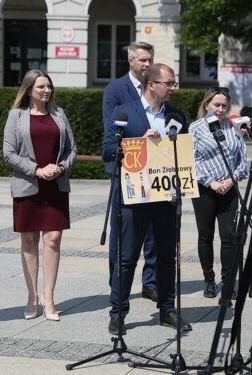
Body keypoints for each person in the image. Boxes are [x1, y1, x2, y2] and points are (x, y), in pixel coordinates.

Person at [101, 63, 191, 335]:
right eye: (169, 83)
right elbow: (108, 150)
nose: (172, 88)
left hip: (165, 197)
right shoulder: (124, 112)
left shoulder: (176, 115)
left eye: (174, 83)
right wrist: (140, 142)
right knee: (126, 259)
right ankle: (118, 313)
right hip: (134, 198)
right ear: (152, 84)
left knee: (166, 257)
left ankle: (167, 309)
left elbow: (185, 151)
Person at [3, 69, 77, 321]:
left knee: (53, 239)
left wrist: (62, 167)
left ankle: (49, 298)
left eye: (49, 86)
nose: (47, 91)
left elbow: (71, 149)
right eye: (41, 87)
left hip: (56, 185)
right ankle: (32, 297)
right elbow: (8, 153)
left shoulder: (59, 114)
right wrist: (37, 170)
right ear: (28, 90)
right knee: (29, 240)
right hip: (28, 185)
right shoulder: (16, 116)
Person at [102, 41, 159, 302]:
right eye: (142, 60)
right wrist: (141, 140)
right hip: (127, 168)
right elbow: (112, 133)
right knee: (122, 229)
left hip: (155, 168)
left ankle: (151, 282)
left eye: (149, 59)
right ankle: (118, 281)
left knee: (153, 232)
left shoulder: (156, 87)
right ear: (130, 61)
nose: (147, 64)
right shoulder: (116, 90)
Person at [190, 87, 248, 299]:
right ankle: (209, 280)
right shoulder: (195, 128)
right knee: (205, 236)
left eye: (224, 105)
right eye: (216, 104)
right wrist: (211, 182)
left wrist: (231, 180)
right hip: (205, 190)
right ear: (207, 105)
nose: (220, 109)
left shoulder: (234, 127)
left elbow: (243, 160)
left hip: (229, 190)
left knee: (229, 237)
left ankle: (228, 280)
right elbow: (192, 160)